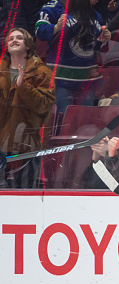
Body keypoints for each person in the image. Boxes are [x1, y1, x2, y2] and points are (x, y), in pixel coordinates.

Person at [0, 27, 55, 188]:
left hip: (26, 143)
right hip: (1, 142)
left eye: (19, 37)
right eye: (11, 38)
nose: (14, 40)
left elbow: (45, 106)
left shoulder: (42, 72)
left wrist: (23, 87)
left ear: (29, 45)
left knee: (23, 194)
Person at [36, 0, 111, 113]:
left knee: (84, 119)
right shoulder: (53, 7)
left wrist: (103, 40)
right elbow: (39, 31)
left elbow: (94, 49)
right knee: (61, 117)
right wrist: (56, 27)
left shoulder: (95, 15)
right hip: (61, 78)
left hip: (87, 78)